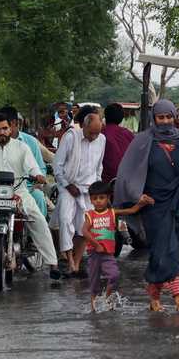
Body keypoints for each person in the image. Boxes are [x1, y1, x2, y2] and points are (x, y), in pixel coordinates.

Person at [114, 99, 179, 313]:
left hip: (178, 203)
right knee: (168, 248)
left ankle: (154, 299)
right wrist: (138, 195)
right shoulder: (142, 140)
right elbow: (127, 172)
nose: (165, 121)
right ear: (154, 118)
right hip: (152, 205)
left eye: (169, 117)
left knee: (160, 252)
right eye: (161, 117)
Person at [0, 112, 60, 287]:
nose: (2, 132)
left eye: (5, 128)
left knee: (38, 220)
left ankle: (53, 264)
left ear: (11, 129)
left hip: (19, 191)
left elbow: (32, 166)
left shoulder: (22, 147)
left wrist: (37, 174)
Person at [82, 181, 152, 311]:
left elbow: (132, 210)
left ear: (108, 198)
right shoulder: (90, 215)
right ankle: (93, 308)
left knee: (114, 276)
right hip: (94, 254)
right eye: (95, 198)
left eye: (101, 198)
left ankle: (106, 297)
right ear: (91, 200)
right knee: (94, 282)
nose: (98, 201)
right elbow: (84, 231)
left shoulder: (112, 213)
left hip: (108, 254)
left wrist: (141, 203)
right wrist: (96, 244)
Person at [55, 110, 106, 277]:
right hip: (69, 186)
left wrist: (97, 188)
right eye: (91, 133)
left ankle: (76, 263)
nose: (94, 137)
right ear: (83, 126)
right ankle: (68, 260)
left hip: (88, 189)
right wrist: (67, 185)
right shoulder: (71, 137)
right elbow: (58, 165)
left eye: (97, 133)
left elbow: (99, 167)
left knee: (83, 228)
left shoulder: (102, 140)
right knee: (65, 221)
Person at [0, 106, 50, 217]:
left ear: (14, 123)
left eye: (4, 126)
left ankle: (38, 233)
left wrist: (38, 182)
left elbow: (40, 167)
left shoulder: (31, 142)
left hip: (27, 188)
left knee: (39, 197)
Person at [100, 103, 135, 183]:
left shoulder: (100, 134)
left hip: (105, 181)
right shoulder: (128, 134)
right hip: (125, 179)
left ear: (105, 116)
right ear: (121, 118)